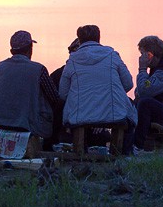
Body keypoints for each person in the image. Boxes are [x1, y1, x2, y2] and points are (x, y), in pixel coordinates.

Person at [59, 25, 137, 154]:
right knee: (130, 112)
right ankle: (125, 154)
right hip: (113, 114)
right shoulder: (113, 56)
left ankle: (81, 152)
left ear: (80, 40)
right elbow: (128, 84)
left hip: (79, 116)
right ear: (98, 38)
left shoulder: (71, 61)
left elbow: (63, 93)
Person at [0, 30, 61, 140]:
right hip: (26, 127)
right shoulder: (39, 69)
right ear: (30, 49)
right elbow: (54, 99)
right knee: (59, 109)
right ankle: (51, 146)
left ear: (11, 50)